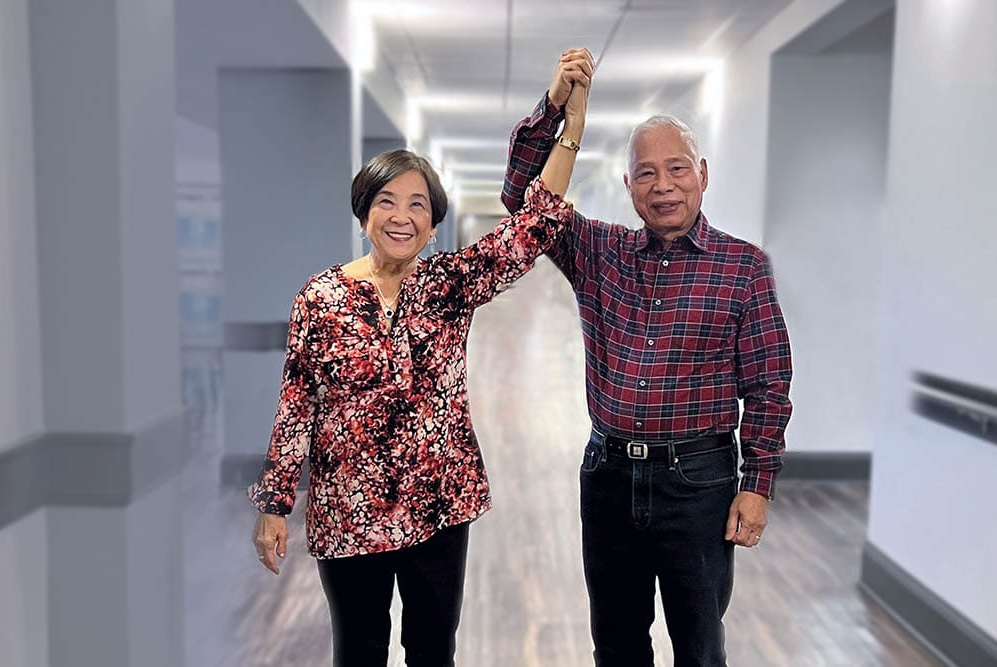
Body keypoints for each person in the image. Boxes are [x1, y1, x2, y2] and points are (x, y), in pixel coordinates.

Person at [247, 64, 589, 667]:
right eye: (386, 201)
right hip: (348, 507)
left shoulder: (450, 283)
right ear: (363, 215)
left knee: (432, 649)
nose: (400, 215)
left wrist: (568, 130)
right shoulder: (319, 296)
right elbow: (296, 405)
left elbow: (531, 229)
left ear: (433, 226)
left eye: (417, 205)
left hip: (439, 501)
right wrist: (276, 504)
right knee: (358, 651)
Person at [502, 48, 793, 667]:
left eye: (677, 169)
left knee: (698, 644)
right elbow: (524, 201)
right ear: (627, 184)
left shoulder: (742, 267)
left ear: (703, 174)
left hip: (701, 483)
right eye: (647, 174)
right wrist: (558, 109)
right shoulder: (596, 250)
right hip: (607, 478)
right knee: (616, 641)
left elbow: (769, 385)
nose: (664, 186)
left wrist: (757, 485)